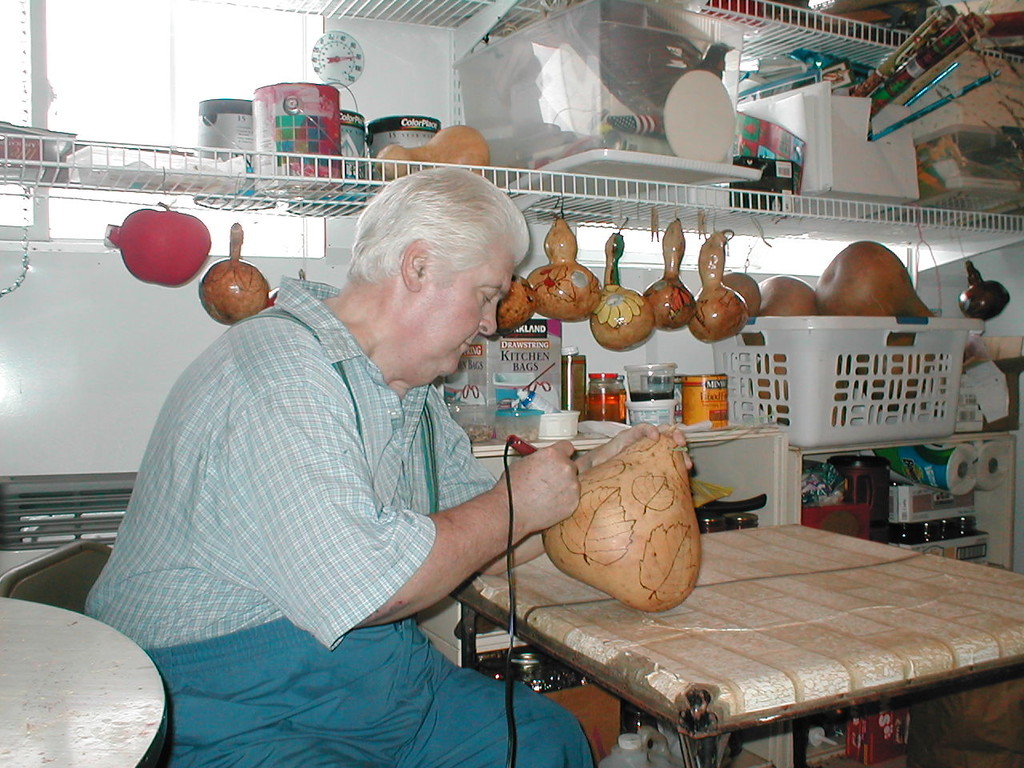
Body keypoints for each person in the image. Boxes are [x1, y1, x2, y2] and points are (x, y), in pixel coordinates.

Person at [87, 167, 683, 768]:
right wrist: (514, 504)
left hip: (371, 675)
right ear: (418, 267)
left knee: (544, 740)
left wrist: (597, 474)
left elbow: (479, 538)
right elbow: (374, 588)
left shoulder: (409, 388)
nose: (490, 322)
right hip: (226, 700)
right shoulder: (279, 375)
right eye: (486, 294)